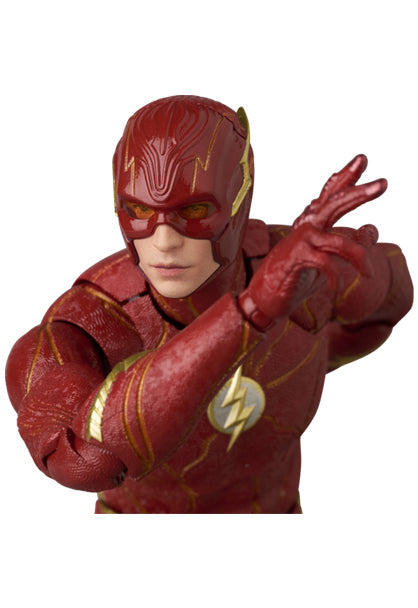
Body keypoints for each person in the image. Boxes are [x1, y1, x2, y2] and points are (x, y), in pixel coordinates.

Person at [5, 95, 413, 513]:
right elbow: (79, 461)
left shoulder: (309, 275)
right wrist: (255, 312)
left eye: (195, 209)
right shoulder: (86, 326)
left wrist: (322, 319)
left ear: (240, 199)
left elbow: (389, 303)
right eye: (140, 210)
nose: (164, 241)